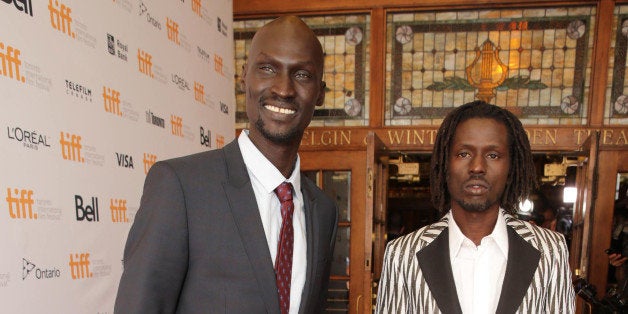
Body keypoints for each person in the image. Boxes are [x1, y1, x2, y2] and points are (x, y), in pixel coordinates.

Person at [114, 16, 338, 314]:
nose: (283, 89)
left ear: (320, 93)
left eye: (302, 75)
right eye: (268, 68)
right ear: (244, 76)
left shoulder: (323, 210)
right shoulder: (180, 187)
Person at [376, 101, 575, 313]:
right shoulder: (403, 254)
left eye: (493, 155)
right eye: (464, 153)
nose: (477, 167)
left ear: (510, 166)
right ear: (445, 163)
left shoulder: (550, 249)